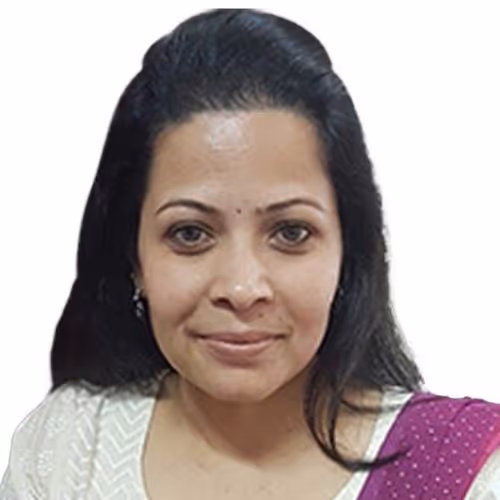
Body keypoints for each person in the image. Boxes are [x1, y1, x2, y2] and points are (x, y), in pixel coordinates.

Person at [1, 8, 499, 499]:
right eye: (190, 234)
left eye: (291, 232)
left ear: (348, 251)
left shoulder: (465, 471)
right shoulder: (69, 450)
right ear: (134, 259)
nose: (241, 289)